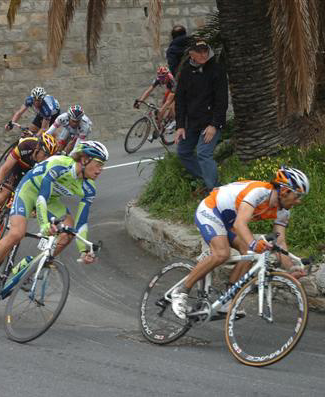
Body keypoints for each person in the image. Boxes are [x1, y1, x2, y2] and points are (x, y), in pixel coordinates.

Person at [0, 141, 109, 304]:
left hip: (50, 200)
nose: (101, 169)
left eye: (103, 165)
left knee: (68, 232)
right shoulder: (60, 165)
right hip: (29, 192)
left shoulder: (89, 188)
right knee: (16, 233)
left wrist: (84, 250)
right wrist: (44, 226)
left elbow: (82, 222)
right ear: (84, 159)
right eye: (98, 164)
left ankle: (31, 269)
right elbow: (41, 197)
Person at [170, 166, 310, 319]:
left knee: (251, 254)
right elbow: (240, 224)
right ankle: (181, 291)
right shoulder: (260, 192)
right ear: (285, 191)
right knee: (222, 253)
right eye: (297, 196)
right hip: (211, 210)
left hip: (228, 221)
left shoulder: (283, 211)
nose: (299, 201)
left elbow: (280, 241)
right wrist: (253, 243)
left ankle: (227, 299)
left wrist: (291, 269)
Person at [0, 132, 58, 250]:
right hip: (16, 168)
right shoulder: (26, 145)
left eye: (49, 157)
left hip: (29, 177)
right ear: (38, 148)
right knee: (2, 196)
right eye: (45, 155)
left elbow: (42, 187)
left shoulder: (47, 163)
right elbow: (5, 168)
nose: (46, 159)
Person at [174, 38, 228, 192]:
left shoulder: (217, 69)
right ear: (192, 54)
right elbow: (180, 100)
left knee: (204, 154)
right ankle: (207, 180)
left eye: (205, 51)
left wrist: (214, 125)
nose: (203, 54)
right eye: (199, 52)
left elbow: (222, 100)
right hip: (193, 123)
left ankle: (215, 190)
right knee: (183, 152)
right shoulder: (186, 72)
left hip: (211, 122)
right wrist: (180, 126)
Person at [134, 65, 176, 134]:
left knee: (171, 105)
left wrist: (161, 110)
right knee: (161, 108)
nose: (162, 80)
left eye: (163, 78)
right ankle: (159, 129)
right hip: (170, 89)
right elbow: (148, 91)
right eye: (160, 77)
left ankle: (174, 121)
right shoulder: (158, 79)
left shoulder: (172, 80)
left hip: (177, 90)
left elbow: (168, 101)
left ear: (167, 75)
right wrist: (140, 101)